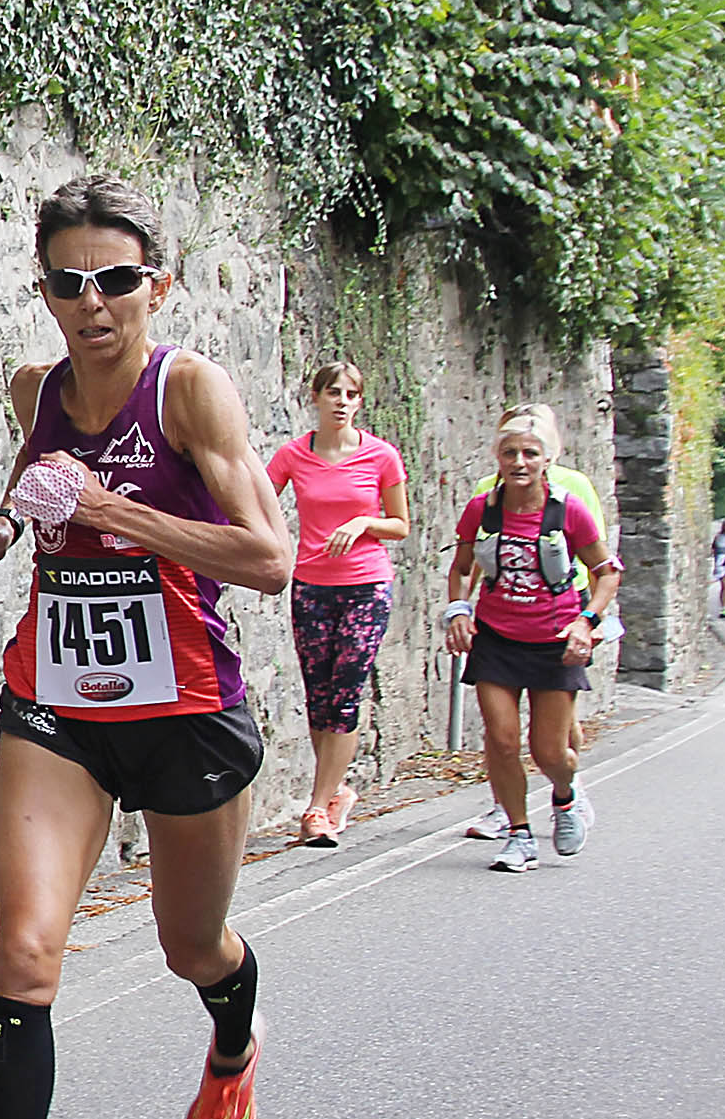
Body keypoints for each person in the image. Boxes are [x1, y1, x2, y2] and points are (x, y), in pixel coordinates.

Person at [0, 175, 292, 1119]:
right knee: (27, 949)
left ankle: (233, 1038)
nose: (92, 302)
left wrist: (117, 509)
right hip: (58, 706)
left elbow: (268, 555)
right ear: (43, 290)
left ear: (157, 283)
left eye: (116, 278)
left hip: (183, 710)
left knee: (190, 945)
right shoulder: (34, 388)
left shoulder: (188, 391)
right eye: (66, 281)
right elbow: (34, 491)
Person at [444, 404, 623, 872]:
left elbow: (607, 573)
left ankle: (565, 795)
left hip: (554, 641)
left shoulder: (568, 510)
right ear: (496, 458)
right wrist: (458, 611)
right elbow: (461, 569)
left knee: (550, 752)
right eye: (509, 453)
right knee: (501, 741)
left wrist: (587, 621)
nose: (519, 462)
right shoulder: (482, 509)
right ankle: (520, 835)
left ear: (547, 460)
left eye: (529, 453)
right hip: (497, 637)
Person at [265, 362, 410, 847]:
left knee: (346, 690)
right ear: (316, 398)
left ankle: (315, 807)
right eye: (333, 392)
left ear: (360, 402)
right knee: (320, 697)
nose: (342, 401)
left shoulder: (381, 456)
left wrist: (364, 523)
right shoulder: (293, 455)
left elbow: (400, 524)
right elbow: (258, 500)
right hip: (311, 585)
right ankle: (337, 793)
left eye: (351, 394)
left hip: (366, 585)